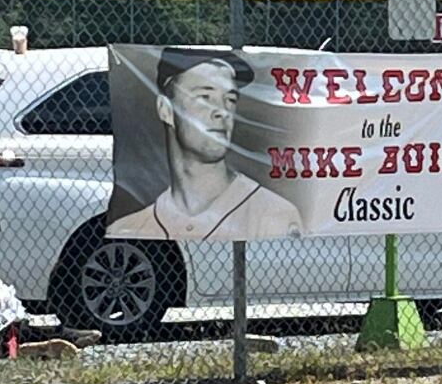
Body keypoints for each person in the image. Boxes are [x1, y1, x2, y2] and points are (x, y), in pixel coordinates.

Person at [108, 48, 302, 241]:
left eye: (230, 99)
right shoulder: (130, 227)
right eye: (204, 97)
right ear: (166, 110)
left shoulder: (275, 214)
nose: (223, 111)